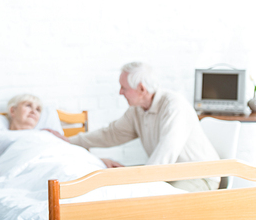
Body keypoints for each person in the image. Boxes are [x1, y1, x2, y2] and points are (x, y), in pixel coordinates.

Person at [47, 62, 220, 192]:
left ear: (141, 89)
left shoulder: (174, 106)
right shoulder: (137, 110)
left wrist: (134, 179)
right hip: (169, 173)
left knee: (156, 204)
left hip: (198, 175)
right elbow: (111, 134)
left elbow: (165, 153)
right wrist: (70, 141)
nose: (120, 92)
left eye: (124, 88)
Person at [0, 94, 43, 178]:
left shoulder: (45, 135)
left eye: (38, 109)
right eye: (28, 105)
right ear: (12, 110)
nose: (34, 111)